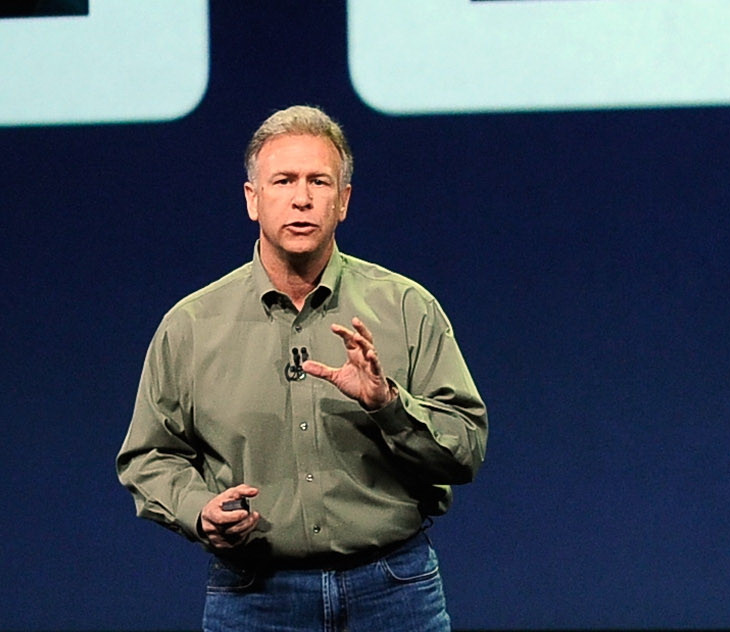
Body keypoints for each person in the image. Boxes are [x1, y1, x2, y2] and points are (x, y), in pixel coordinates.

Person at [118, 105, 487, 632]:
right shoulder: (192, 325)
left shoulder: (406, 308)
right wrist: (199, 509)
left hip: (393, 590)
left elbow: (466, 447)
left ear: (344, 201)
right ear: (252, 199)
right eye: (283, 180)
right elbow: (149, 456)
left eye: (319, 181)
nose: (302, 198)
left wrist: (388, 405)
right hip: (255, 598)